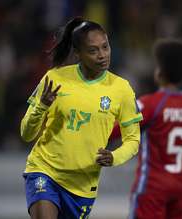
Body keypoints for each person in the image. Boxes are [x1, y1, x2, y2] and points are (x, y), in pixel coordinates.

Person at [20, 17, 143, 219]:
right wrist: (41, 107)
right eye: (93, 50)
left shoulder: (121, 89)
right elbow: (26, 133)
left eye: (105, 47)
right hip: (44, 171)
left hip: (82, 187)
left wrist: (114, 156)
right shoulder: (54, 78)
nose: (102, 55)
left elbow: (133, 140)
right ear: (78, 53)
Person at [112, 39, 182, 219]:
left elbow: (117, 131)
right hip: (180, 189)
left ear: (161, 72)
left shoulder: (151, 103)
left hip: (153, 188)